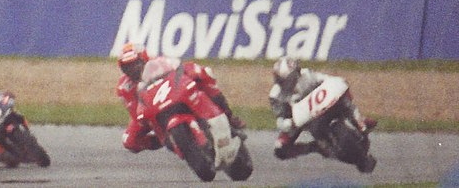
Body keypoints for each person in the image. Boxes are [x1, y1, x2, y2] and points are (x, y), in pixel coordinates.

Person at [116, 43, 245, 153]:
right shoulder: (124, 88)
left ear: (144, 60)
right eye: (127, 67)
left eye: (135, 64)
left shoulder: (160, 63)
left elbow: (183, 69)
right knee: (129, 141)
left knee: (204, 75)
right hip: (151, 110)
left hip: (174, 96)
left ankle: (228, 117)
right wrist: (159, 132)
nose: (132, 69)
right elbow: (136, 113)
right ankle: (166, 140)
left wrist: (195, 73)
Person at [269, 56, 376, 160]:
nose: (285, 82)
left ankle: (358, 119)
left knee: (342, 94)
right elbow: (280, 118)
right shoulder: (275, 95)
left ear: (297, 72)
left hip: (325, 104)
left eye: (289, 78)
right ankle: (314, 147)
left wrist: (338, 83)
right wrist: (287, 123)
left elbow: (329, 81)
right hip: (304, 119)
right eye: (280, 79)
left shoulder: (308, 75)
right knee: (280, 148)